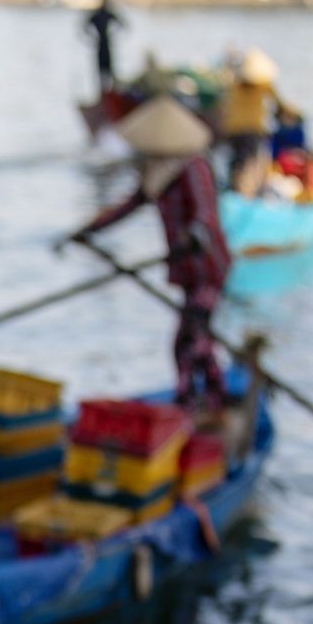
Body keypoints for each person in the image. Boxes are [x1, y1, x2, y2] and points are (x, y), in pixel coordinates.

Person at [57, 97, 232, 416]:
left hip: (207, 267)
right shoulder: (158, 174)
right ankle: (210, 394)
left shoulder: (194, 168)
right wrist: (87, 231)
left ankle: (195, 402)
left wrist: (196, 234)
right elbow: (127, 207)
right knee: (192, 337)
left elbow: (205, 213)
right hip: (186, 268)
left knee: (191, 338)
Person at [220, 48, 291, 196]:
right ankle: (244, 193)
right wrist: (295, 115)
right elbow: (282, 106)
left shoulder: (234, 83)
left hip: (233, 130)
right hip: (252, 130)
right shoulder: (264, 85)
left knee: (237, 161)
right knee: (250, 162)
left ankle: (236, 190)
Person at [83, 0, 125, 95]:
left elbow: (85, 27)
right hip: (103, 44)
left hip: (102, 44)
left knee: (105, 70)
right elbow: (122, 25)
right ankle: (106, 95)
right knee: (105, 70)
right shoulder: (103, 15)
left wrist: (92, 37)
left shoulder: (98, 15)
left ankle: (109, 94)